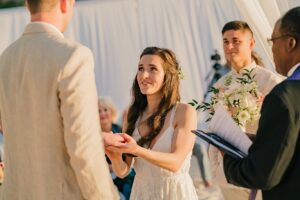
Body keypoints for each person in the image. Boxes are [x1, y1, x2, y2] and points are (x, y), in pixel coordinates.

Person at [0, 0, 122, 199]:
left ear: (27, 5)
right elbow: (83, 147)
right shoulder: (73, 56)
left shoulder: (6, 59)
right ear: (65, 3)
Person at [223, 7, 300, 200]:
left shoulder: (283, 96)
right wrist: (263, 140)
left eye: (273, 40)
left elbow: (263, 175)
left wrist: (228, 153)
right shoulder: (221, 85)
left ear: (290, 43)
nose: (271, 48)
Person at [106, 47, 198, 200]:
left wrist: (137, 150)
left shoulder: (184, 112)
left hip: (175, 194)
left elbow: (175, 162)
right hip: (142, 193)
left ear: (167, 76)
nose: (144, 75)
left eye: (153, 69)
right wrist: (115, 156)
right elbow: (123, 172)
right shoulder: (131, 114)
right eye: (140, 69)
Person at [208, 20, 284, 200]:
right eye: (225, 41)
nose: (230, 46)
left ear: (251, 43)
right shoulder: (220, 85)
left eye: (236, 41)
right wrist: (215, 167)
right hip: (226, 174)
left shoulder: (271, 83)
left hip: (255, 173)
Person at [98, 97, 135, 200]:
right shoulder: (93, 136)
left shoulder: (120, 130)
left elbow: (127, 157)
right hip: (103, 177)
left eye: (105, 110)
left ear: (111, 111)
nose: (102, 114)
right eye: (98, 111)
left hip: (122, 174)